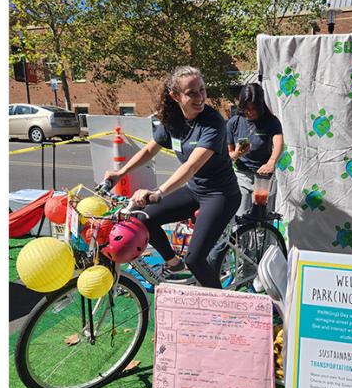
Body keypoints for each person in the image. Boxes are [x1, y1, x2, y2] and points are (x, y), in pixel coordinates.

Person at [105, 66, 240, 289]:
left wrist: (159, 192)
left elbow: (191, 166)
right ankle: (173, 263)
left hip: (221, 194)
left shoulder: (213, 122)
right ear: (175, 96)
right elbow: (149, 151)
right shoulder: (172, 120)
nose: (200, 97)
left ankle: (220, 309)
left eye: (202, 90)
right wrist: (120, 173)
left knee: (195, 259)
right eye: (191, 93)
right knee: (141, 219)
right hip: (195, 190)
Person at [227, 83, 284, 214]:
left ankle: (265, 234)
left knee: (262, 220)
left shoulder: (271, 121)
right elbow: (228, 155)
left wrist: (271, 162)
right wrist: (236, 154)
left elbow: (279, 143)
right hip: (242, 175)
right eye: (246, 108)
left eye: (254, 108)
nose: (250, 112)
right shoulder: (234, 122)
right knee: (241, 217)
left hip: (264, 177)